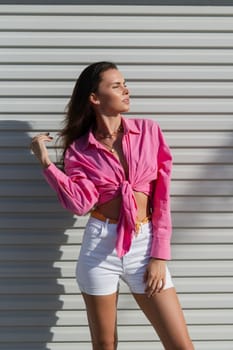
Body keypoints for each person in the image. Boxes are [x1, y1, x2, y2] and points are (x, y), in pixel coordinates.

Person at [31, 61, 194, 350]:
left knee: (180, 345)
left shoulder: (149, 132)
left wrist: (159, 256)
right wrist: (47, 163)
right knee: (105, 345)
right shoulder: (79, 150)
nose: (126, 90)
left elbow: (162, 198)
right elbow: (80, 203)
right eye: (116, 85)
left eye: (125, 83)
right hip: (99, 247)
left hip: (145, 245)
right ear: (94, 98)